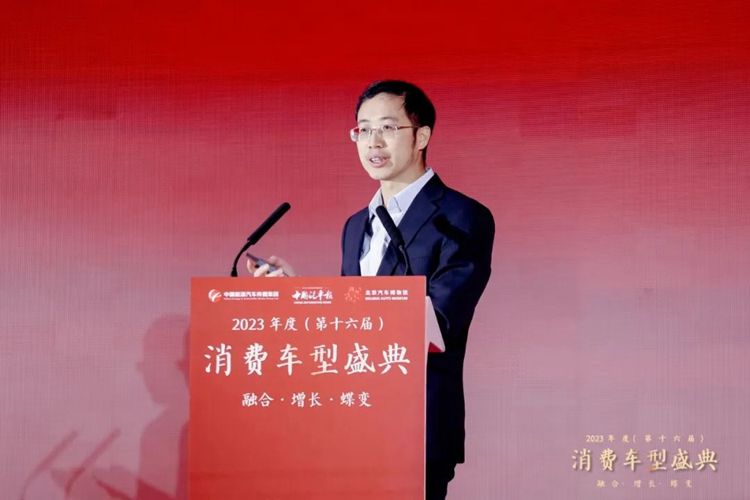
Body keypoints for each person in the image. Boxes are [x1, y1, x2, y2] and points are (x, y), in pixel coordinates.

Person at [250, 80, 494, 500]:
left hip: (417, 426)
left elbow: (441, 323)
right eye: (363, 129)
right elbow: (350, 326)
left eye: (387, 128)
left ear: (421, 136)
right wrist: (298, 296)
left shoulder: (461, 218)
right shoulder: (355, 226)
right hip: (354, 420)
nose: (372, 142)